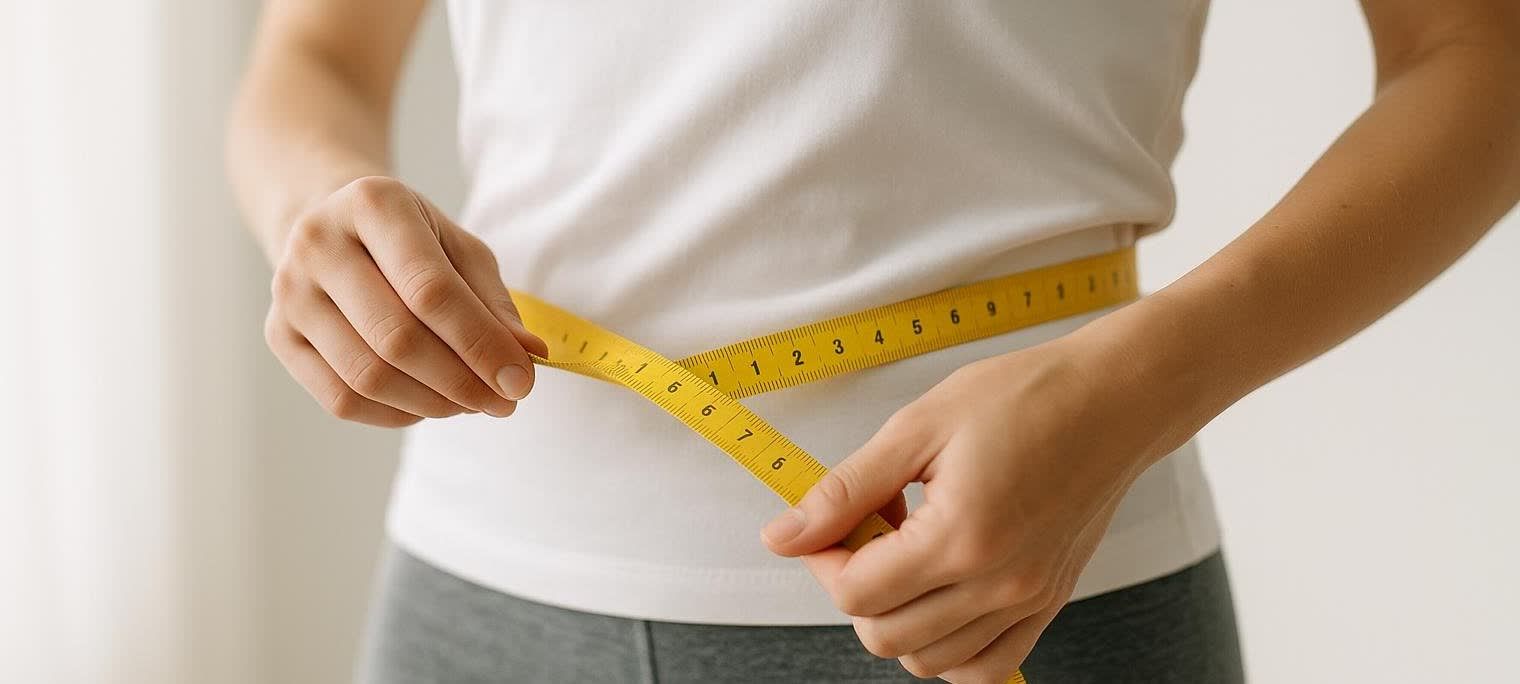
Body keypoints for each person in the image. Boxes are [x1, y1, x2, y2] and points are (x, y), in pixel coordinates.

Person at [226, 1, 1520, 682]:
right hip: (477, 602)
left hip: (1024, 594)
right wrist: (316, 216)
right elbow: (315, 52)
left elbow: (1479, 54)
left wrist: (1144, 384)